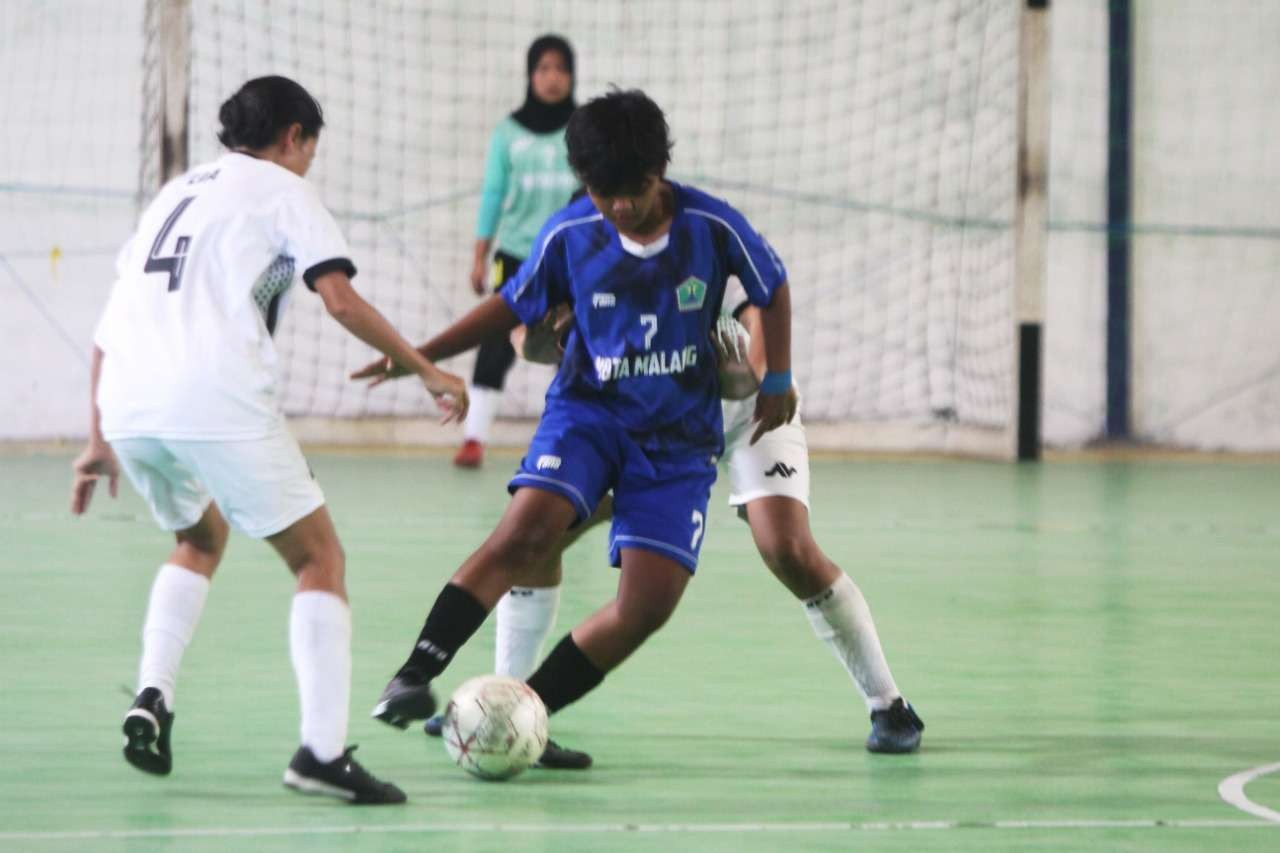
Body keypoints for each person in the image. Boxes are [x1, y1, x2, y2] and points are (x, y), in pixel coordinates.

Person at [353, 89, 797, 747]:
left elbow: (772, 285)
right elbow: (510, 307)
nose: (620, 205)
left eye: (634, 189)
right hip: (589, 412)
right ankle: (416, 670)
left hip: (677, 440)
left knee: (648, 605)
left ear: (660, 171)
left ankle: (522, 712)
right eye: (602, 190)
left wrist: (778, 375)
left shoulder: (713, 225)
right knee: (525, 530)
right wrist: (420, 355)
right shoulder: (570, 233)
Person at [69, 75, 467, 805]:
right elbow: (340, 298)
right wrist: (426, 370)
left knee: (200, 538)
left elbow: (105, 330)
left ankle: (153, 693)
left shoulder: (176, 193)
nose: (310, 161)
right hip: (211, 393)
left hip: (127, 401)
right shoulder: (285, 190)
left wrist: (97, 438)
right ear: (292, 137)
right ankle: (319, 753)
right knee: (319, 556)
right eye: (310, 147)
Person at [421, 294, 925, 759]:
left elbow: (761, 344)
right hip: (650, 424)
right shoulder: (585, 256)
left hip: (749, 410)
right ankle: (505, 705)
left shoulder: (705, 246)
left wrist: (744, 374)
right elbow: (528, 343)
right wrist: (545, 328)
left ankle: (889, 703)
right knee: (541, 535)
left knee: (787, 548)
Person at [454, 34, 579, 469]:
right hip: (516, 258)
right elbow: (493, 195)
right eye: (543, 68)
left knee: (572, 346)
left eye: (561, 68)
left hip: (569, 257)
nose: (552, 77)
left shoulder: (582, 128)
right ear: (530, 75)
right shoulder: (508, 132)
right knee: (496, 344)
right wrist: (479, 256)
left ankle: (572, 437)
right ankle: (473, 438)